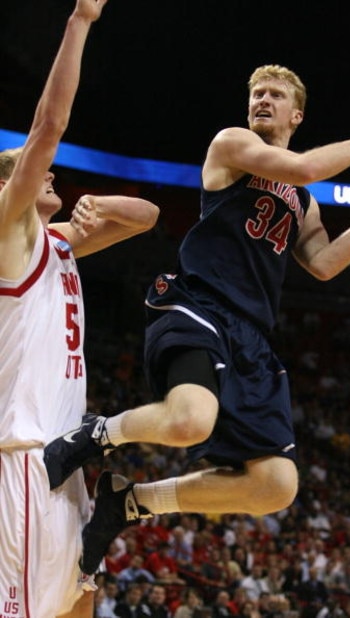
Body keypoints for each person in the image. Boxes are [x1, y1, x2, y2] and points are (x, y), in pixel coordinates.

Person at [44, 63, 350, 577]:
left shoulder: (304, 203)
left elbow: (326, 263)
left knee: (276, 486)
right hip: (199, 303)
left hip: (251, 336)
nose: (262, 101)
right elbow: (303, 169)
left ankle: (130, 502)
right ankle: (95, 435)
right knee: (189, 420)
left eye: (274, 95)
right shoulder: (231, 145)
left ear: (297, 113)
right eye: (256, 94)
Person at [0, 1, 160, 617]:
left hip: (67, 462)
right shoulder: (12, 232)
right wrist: (81, 21)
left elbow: (146, 220)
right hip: (26, 455)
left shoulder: (60, 238)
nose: (48, 172)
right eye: (30, 171)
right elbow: (49, 126)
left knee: (76, 607)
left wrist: (103, 201)